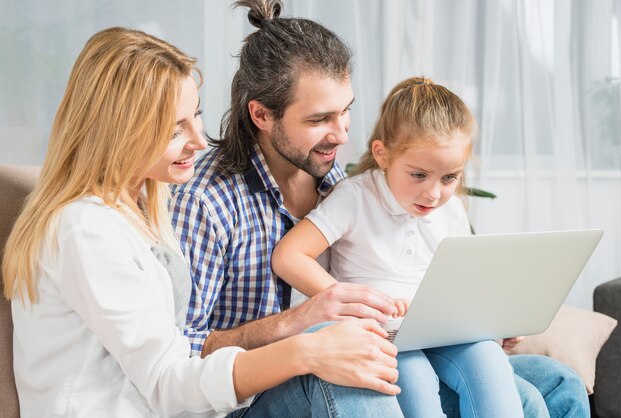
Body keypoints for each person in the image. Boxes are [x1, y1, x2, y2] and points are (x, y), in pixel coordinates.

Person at [171, 1, 590, 417]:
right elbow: (180, 351)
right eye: (320, 119)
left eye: (346, 111)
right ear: (262, 114)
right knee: (361, 368)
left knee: (554, 386)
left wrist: (476, 322)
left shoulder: (337, 182)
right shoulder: (206, 200)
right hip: (251, 397)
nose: (340, 135)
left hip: (381, 345)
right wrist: (296, 323)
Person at [2, 26, 404, 417]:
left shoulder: (142, 207)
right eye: (176, 129)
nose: (199, 140)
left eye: (195, 116)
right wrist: (306, 348)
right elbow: (167, 379)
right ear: (121, 133)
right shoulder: (85, 229)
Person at [271, 76, 525, 417]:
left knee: (489, 358)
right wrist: (348, 300)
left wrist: (491, 323)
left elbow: (462, 282)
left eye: (449, 178)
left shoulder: (448, 210)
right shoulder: (355, 196)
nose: (434, 193)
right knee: (412, 373)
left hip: (437, 328)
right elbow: (288, 256)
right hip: (380, 331)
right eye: (419, 175)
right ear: (382, 155)